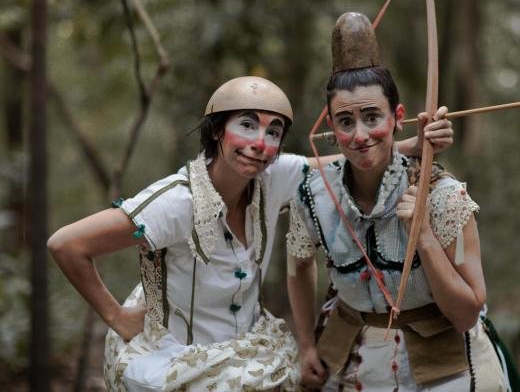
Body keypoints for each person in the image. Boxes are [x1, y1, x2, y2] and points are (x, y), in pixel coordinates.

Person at [48, 75, 454, 391]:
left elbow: (340, 160)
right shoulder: (177, 202)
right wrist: (116, 317)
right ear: (217, 130)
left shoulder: (273, 177)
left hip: (248, 352)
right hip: (182, 363)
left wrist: (413, 144)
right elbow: (67, 244)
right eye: (246, 125)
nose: (260, 144)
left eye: (273, 132)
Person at [286, 12, 508, 391]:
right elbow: (299, 266)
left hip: (444, 359)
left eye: (373, 117)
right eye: (345, 121)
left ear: (398, 116)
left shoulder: (442, 195)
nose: (360, 135)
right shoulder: (312, 193)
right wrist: (307, 345)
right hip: (349, 350)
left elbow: (467, 313)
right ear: (331, 128)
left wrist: (422, 235)